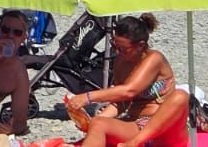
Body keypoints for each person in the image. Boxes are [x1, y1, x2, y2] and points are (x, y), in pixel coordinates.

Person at [66, 14, 188, 147]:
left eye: (123, 49)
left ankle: (134, 143)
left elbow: (129, 90)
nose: (117, 52)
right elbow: (121, 102)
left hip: (164, 129)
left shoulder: (154, 59)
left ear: (141, 46)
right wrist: (94, 122)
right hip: (136, 124)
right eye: (114, 46)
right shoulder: (120, 62)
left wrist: (88, 97)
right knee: (98, 123)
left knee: (181, 96)